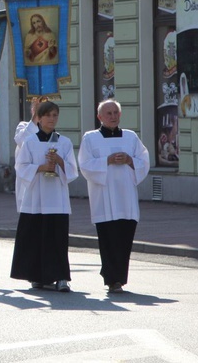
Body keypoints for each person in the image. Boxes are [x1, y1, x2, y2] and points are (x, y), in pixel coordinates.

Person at [78, 99, 150, 293]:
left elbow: (144, 160)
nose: (112, 116)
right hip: (104, 196)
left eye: (115, 113)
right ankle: (112, 279)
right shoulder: (90, 138)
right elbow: (84, 164)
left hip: (126, 196)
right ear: (99, 117)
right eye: (108, 113)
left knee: (124, 238)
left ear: (120, 115)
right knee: (108, 238)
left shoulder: (131, 137)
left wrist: (129, 160)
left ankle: (120, 276)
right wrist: (106, 161)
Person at [11, 101, 78, 292]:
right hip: (36, 198)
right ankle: (37, 276)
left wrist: (59, 162)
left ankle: (61, 277)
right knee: (36, 238)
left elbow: (73, 170)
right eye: (47, 115)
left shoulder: (63, 142)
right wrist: (40, 167)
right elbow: (21, 167)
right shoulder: (30, 142)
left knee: (57, 239)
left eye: (55, 115)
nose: (51, 119)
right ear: (39, 118)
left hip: (57, 198)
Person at [13, 97, 42, 212]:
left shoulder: (52, 132)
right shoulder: (23, 126)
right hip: (28, 179)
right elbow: (22, 140)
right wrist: (36, 116)